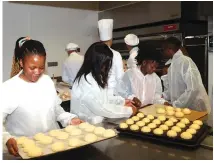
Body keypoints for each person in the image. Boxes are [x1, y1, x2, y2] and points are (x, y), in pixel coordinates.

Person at [2, 38, 83, 157]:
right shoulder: (9, 88)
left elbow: (55, 109)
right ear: (21, 63)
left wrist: (69, 119)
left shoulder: (47, 81)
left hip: (53, 146)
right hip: (25, 151)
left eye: (41, 67)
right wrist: (6, 139)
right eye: (32, 67)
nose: (37, 72)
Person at [70, 42, 137, 124]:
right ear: (95, 62)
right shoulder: (86, 81)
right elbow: (101, 108)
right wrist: (128, 110)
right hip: (86, 125)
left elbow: (103, 99)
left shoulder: (96, 77)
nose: (107, 67)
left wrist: (121, 101)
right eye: (105, 64)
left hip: (96, 123)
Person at [162, 37, 211, 113]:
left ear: (169, 49)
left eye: (163, 49)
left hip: (195, 108)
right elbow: (173, 89)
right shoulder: (171, 65)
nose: (163, 52)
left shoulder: (185, 62)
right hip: (181, 109)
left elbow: (192, 89)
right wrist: (162, 97)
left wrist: (176, 105)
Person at [98, 19, 124, 95]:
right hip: (112, 93)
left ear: (100, 40)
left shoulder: (95, 53)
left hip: (98, 92)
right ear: (111, 39)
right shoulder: (116, 54)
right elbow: (120, 77)